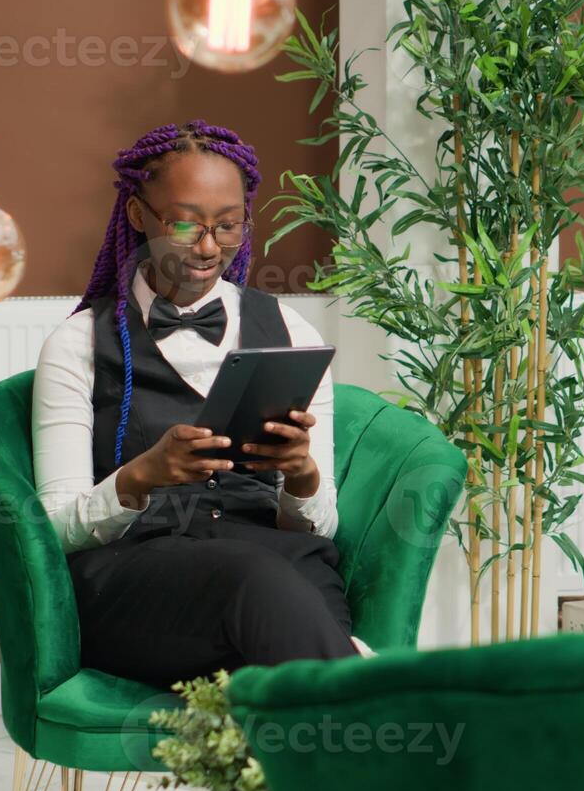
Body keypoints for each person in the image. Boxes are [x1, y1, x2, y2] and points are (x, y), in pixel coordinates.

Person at [30, 120, 362, 689]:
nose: (209, 247)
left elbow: (320, 527)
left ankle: (352, 734)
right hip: (140, 587)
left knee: (294, 605)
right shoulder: (79, 342)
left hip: (281, 569)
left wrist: (302, 474)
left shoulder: (293, 334)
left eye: (228, 225)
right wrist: (140, 477)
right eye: (184, 222)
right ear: (138, 215)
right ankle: (392, 730)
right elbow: (53, 530)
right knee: (263, 590)